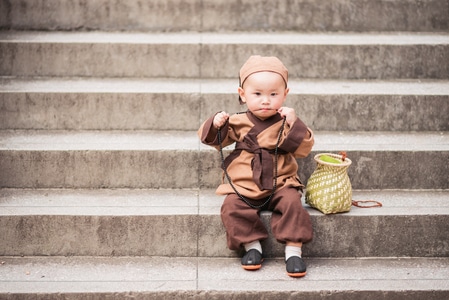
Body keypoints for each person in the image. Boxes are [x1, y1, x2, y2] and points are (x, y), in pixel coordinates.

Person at [198, 55, 314, 278]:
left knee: (292, 202)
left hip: (281, 181)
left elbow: (303, 148)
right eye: (257, 94)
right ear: (242, 94)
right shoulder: (238, 120)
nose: (266, 101)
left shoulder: (286, 121)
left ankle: (293, 250)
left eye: (273, 94)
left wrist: (295, 123)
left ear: (285, 94)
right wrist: (216, 124)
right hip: (245, 183)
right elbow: (217, 141)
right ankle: (252, 246)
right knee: (232, 205)